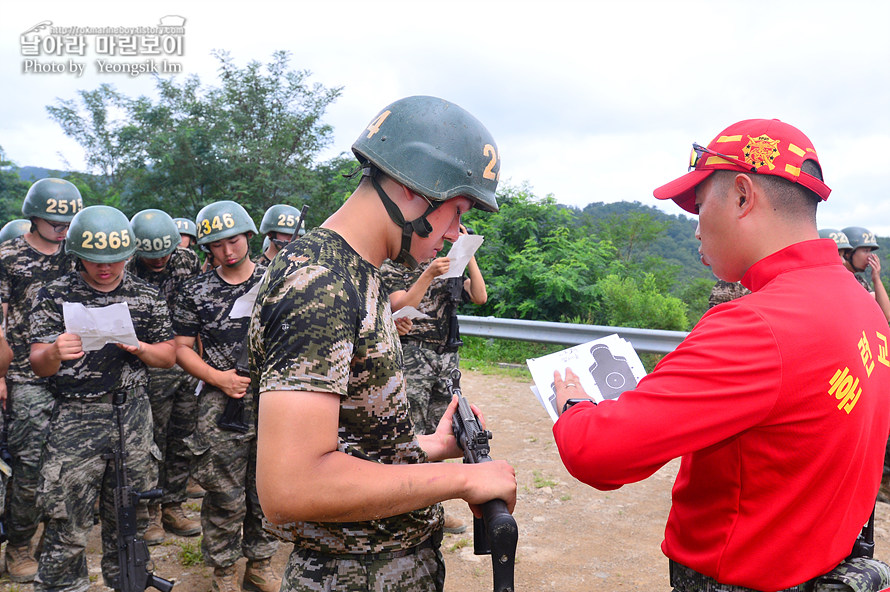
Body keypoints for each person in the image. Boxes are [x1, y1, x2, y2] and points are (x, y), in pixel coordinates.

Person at [551, 119, 890, 592]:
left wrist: (573, 403)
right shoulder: (864, 307)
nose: (695, 228)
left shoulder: (757, 324)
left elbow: (599, 454)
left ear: (742, 196)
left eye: (698, 204)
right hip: (826, 562)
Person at [249, 95, 517, 592]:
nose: (457, 233)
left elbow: (351, 443)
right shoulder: (318, 282)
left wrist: (432, 447)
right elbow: (292, 486)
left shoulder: (360, 272)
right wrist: (461, 481)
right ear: (414, 190)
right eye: (457, 212)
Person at [28, 205, 176, 592]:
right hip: (76, 416)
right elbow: (38, 364)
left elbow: (168, 356)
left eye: (113, 260)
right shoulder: (55, 295)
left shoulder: (146, 295)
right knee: (67, 519)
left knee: (130, 517)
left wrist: (139, 347)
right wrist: (55, 352)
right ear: (77, 254)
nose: (104, 269)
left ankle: (128, 583)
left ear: (128, 254)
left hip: (132, 414)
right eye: (94, 261)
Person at [172, 200, 280, 592]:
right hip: (222, 403)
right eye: (216, 245)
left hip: (273, 399)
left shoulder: (277, 279)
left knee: (267, 489)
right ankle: (223, 573)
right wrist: (218, 378)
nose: (227, 251)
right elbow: (182, 348)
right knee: (223, 493)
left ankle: (261, 564)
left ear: (250, 236)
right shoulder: (195, 290)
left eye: (233, 241)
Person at [379, 225, 488, 535]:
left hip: (445, 360)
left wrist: (468, 255)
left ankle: (431, 509)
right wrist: (427, 275)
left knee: (440, 438)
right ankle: (402, 510)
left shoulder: (452, 268)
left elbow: (480, 296)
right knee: (410, 435)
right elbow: (399, 304)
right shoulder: (396, 266)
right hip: (413, 355)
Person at [0, 177, 82, 582]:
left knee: (68, 464)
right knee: (30, 464)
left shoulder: (78, 252)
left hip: (72, 371)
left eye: (67, 221)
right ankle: (18, 548)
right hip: (23, 374)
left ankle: (58, 542)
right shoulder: (8, 256)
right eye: (53, 221)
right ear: (33, 216)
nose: (62, 228)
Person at [128, 209, 203, 544]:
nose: (158, 260)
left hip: (186, 362)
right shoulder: (126, 266)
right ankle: (151, 513)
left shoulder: (187, 261)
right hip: (148, 365)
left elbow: (200, 309)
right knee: (151, 442)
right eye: (150, 255)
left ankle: (174, 504)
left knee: (183, 437)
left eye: (164, 253)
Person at [841, 226, 890, 323]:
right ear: (848, 253)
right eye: (865, 251)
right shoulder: (839, 281)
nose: (869, 256)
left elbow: (886, 315)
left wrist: (876, 279)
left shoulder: (859, 281)